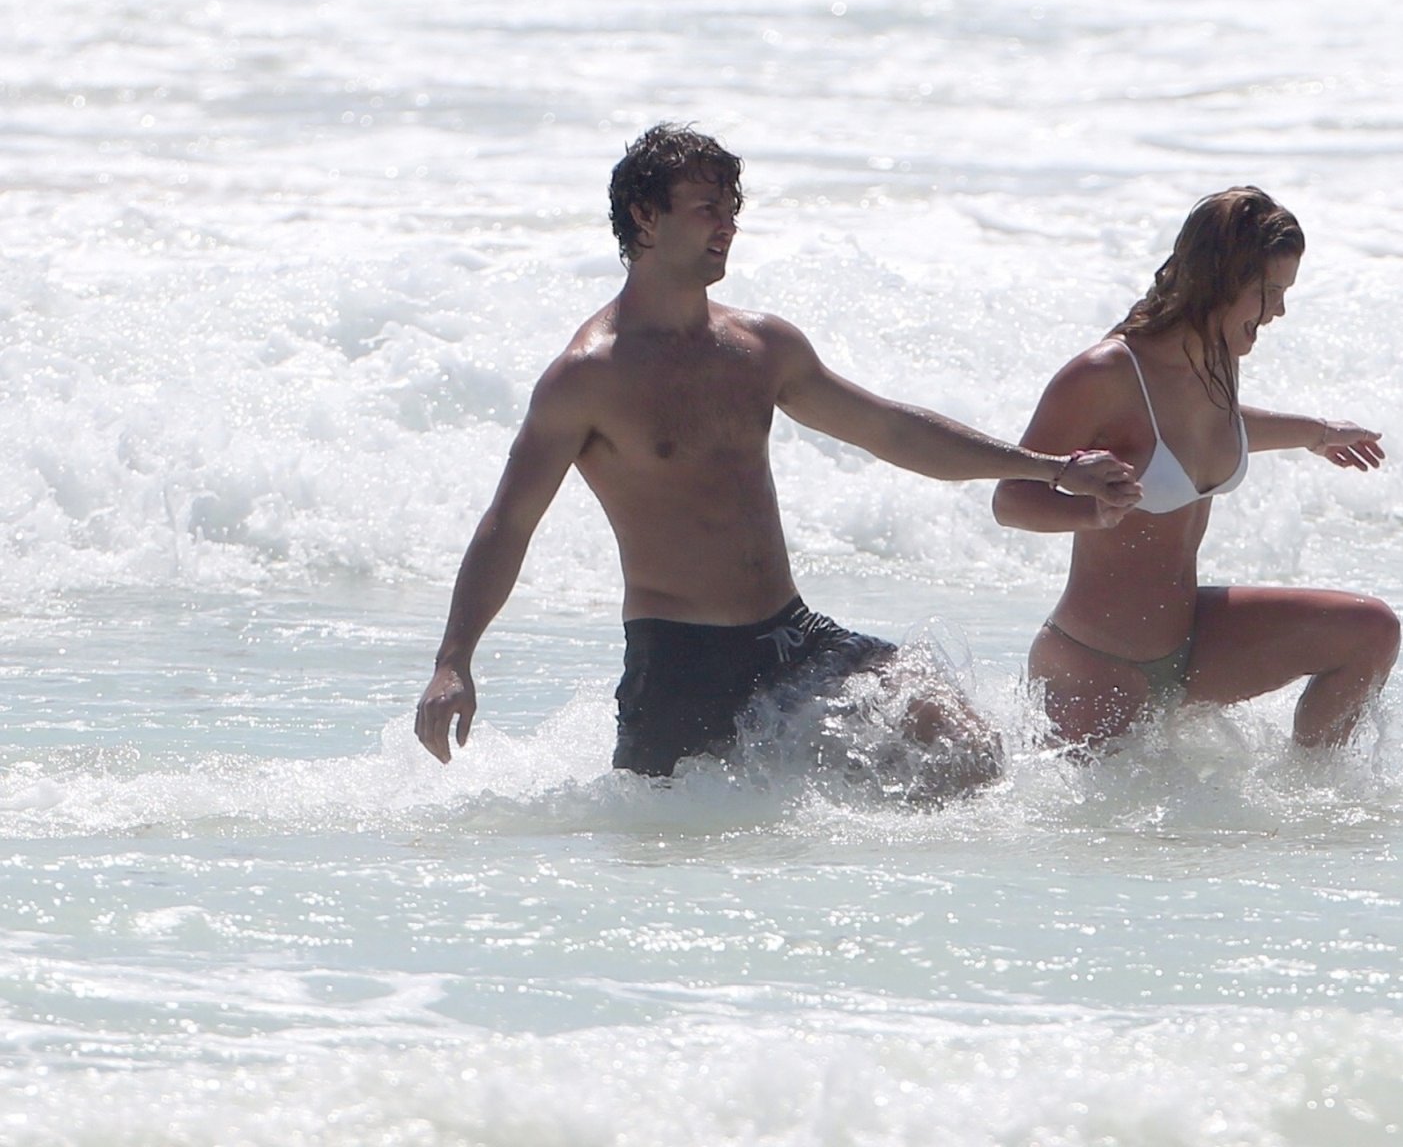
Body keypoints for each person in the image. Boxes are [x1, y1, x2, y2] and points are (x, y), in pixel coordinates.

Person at [414, 123, 1139, 797]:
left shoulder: (761, 349)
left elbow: (889, 430)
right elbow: (509, 522)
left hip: (792, 639)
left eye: (731, 209)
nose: (727, 225)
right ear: (645, 217)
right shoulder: (587, 377)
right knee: (668, 845)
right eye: (706, 208)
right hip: (681, 664)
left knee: (967, 750)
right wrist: (454, 660)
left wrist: (1050, 468)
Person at [992, 186, 1399, 749]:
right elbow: (1010, 499)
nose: (1278, 311)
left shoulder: (1216, 358)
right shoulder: (1105, 374)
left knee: (1370, 630)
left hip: (1192, 646)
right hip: (1095, 666)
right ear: (1222, 279)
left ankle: (1312, 791)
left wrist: (1318, 433)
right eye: (1270, 292)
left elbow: (1210, 427)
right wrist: (1093, 511)